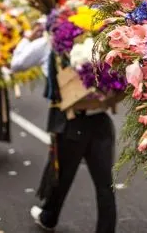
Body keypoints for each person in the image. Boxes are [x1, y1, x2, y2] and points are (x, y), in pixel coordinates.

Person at [11, 25, 117, 233]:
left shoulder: (50, 43)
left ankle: (48, 218)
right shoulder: (98, 37)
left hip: (71, 122)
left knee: (62, 175)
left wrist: (26, 38)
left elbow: (17, 64)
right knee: (105, 185)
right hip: (101, 120)